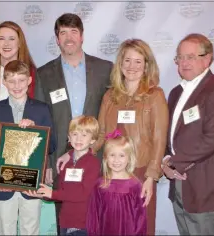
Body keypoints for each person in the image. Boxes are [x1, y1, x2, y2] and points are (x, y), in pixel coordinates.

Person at [57, 38, 168, 235]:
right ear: (120, 63)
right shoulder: (110, 96)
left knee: (140, 226)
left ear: (146, 65)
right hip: (110, 174)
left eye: (137, 61)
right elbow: (99, 135)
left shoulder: (155, 96)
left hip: (140, 173)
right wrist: (74, 154)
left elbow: (160, 140)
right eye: (127, 60)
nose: (131, 66)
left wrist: (151, 177)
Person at [34, 13, 112, 232]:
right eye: (63, 33)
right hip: (59, 158)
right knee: (67, 219)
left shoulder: (105, 69)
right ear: (57, 39)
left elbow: (112, 113)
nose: (69, 38)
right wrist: (47, 163)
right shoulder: (44, 74)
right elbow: (42, 122)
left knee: (99, 218)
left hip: (97, 156)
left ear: (82, 36)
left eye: (74, 32)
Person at [162, 33, 214, 235]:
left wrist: (173, 164)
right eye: (180, 57)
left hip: (206, 186)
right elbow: (169, 135)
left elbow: (213, 138)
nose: (184, 62)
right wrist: (165, 161)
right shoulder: (175, 93)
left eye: (191, 56)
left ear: (207, 59)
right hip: (179, 183)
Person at [0, 60, 56, 235]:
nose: (17, 86)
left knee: (30, 230)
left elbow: (52, 144)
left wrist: (35, 134)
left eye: (21, 80)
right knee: (4, 230)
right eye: (12, 81)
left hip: (30, 184)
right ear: (4, 82)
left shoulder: (41, 109)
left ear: (29, 81)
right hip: (4, 185)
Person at [26, 115, 101, 236]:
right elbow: (60, 192)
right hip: (65, 222)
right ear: (68, 138)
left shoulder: (93, 163)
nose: (78, 139)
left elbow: (83, 194)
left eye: (84, 135)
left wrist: (52, 193)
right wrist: (42, 194)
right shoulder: (66, 162)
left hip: (84, 223)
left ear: (92, 140)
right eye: (75, 134)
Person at [86, 131, 147, 235]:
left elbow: (140, 218)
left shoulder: (135, 186)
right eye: (112, 155)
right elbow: (93, 215)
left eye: (122, 155)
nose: (116, 160)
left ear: (129, 158)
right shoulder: (100, 185)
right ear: (105, 158)